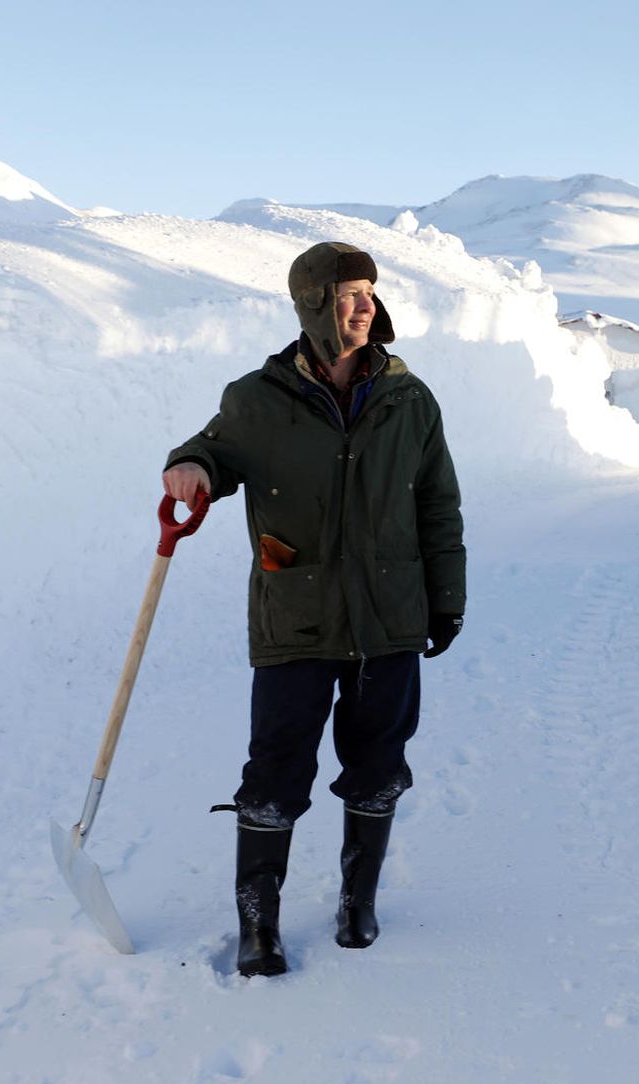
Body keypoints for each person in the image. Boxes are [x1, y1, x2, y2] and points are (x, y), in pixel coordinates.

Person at [162, 241, 465, 976]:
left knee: (379, 762)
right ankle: (257, 921)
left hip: (389, 617)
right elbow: (210, 450)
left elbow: (439, 505)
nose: (365, 306)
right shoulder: (257, 400)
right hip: (295, 617)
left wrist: (446, 599)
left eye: (369, 292)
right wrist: (192, 467)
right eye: (349, 294)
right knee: (275, 769)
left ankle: (357, 900)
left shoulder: (409, 398)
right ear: (313, 305)